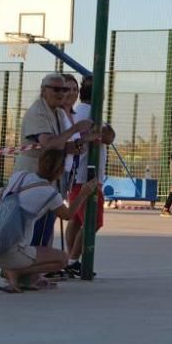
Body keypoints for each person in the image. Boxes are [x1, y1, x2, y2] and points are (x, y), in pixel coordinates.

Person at [0, 149, 100, 293]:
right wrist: (83, 193)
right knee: (62, 260)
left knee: (31, 248)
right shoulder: (50, 193)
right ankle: (15, 272)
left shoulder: (19, 176)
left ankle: (19, 274)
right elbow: (68, 215)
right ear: (60, 171)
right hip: (13, 251)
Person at [13, 73, 94, 254]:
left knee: (44, 227)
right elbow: (49, 143)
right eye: (56, 89)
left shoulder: (56, 112)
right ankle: (26, 270)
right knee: (34, 228)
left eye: (65, 89)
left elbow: (61, 145)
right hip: (34, 177)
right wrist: (75, 129)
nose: (62, 93)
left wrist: (81, 142)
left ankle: (34, 271)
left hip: (48, 177)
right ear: (44, 90)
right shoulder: (38, 112)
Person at [64, 75, 115, 277]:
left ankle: (70, 259)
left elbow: (107, 136)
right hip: (86, 177)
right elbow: (109, 137)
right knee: (93, 221)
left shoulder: (78, 113)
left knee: (77, 220)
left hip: (77, 176)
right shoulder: (89, 114)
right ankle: (73, 260)